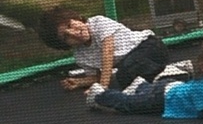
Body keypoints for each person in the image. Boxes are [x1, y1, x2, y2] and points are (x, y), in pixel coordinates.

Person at [84, 33, 203, 118]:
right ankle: (99, 95)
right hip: (162, 97)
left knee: (143, 93)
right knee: (129, 105)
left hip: (172, 86)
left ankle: (141, 85)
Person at [37, 6, 170, 91]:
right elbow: (97, 77)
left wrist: (102, 88)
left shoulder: (98, 23)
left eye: (70, 25)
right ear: (65, 45)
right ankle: (157, 82)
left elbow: (108, 52)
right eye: (66, 37)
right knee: (125, 75)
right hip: (130, 63)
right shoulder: (81, 56)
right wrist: (80, 82)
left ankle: (169, 75)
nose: (74, 33)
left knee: (125, 73)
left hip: (150, 46)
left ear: (77, 18)